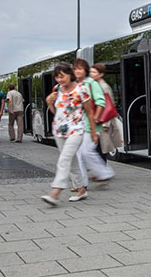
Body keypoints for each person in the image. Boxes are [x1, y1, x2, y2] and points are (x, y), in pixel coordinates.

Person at [41, 62, 97, 206]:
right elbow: (56, 112)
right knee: (71, 162)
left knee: (64, 159)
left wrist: (93, 132)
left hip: (76, 130)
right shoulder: (57, 90)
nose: (60, 80)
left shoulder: (81, 90)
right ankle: (81, 189)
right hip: (59, 130)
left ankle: (55, 193)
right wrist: (49, 103)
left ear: (70, 75)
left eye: (62, 76)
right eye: (57, 77)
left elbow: (90, 112)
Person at [72, 59, 111, 190]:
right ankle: (82, 184)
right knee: (79, 154)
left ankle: (105, 173)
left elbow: (100, 102)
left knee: (86, 151)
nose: (77, 71)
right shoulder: (75, 85)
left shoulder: (91, 83)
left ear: (85, 71)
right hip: (78, 125)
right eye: (75, 68)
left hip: (91, 125)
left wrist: (95, 118)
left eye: (80, 69)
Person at [90, 63, 120, 171]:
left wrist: (105, 124)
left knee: (101, 148)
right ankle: (100, 171)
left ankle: (102, 172)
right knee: (96, 146)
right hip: (97, 121)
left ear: (101, 74)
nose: (91, 74)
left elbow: (109, 106)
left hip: (103, 122)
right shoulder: (94, 85)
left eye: (94, 72)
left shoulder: (104, 87)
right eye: (90, 72)